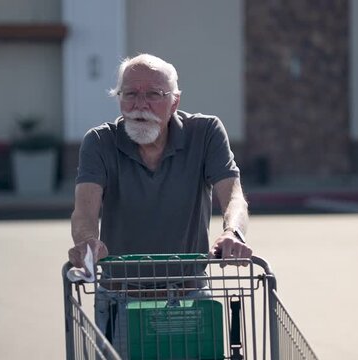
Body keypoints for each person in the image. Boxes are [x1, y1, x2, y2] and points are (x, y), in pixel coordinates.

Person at [67, 53, 252, 357]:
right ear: (119, 99)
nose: (140, 105)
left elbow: (233, 195)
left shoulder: (205, 133)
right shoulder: (99, 142)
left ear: (175, 102)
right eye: (130, 94)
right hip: (121, 297)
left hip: (188, 293)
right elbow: (84, 210)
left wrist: (233, 233)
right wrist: (87, 242)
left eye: (153, 94)